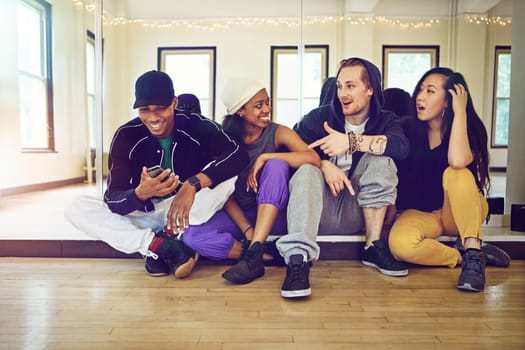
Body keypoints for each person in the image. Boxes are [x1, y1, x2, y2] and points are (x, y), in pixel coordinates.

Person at [65, 70, 249, 278]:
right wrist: (139, 194)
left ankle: (163, 246)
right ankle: (159, 246)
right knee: (76, 207)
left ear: (174, 102)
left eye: (161, 108)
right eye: (145, 110)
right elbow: (113, 199)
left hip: (188, 208)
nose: (153, 117)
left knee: (227, 178)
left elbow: (238, 154)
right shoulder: (126, 135)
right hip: (145, 212)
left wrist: (192, 184)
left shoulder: (196, 124)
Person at [275, 57, 410, 299]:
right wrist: (322, 164)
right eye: (339, 86)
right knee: (306, 170)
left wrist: (350, 142)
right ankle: (298, 259)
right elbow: (288, 155)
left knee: (382, 159)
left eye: (350, 86)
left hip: (358, 210)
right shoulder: (318, 118)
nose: (341, 93)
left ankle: (373, 247)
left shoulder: (385, 119)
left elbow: (400, 148)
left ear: (370, 89)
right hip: (318, 211)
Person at [181, 78, 320, 284]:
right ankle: (262, 255)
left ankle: (254, 251)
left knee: (276, 165)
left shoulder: (278, 132)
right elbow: (221, 192)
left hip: (275, 214)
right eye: (258, 105)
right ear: (240, 111)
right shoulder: (223, 139)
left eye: (267, 102)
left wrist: (266, 157)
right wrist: (247, 229)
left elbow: (313, 159)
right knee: (192, 236)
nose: (267, 109)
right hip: (242, 216)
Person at [388, 67, 511, 292]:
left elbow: (457, 160)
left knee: (456, 172)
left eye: (430, 91)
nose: (420, 97)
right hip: (421, 213)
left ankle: (472, 250)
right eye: (420, 90)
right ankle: (467, 257)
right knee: (400, 246)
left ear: (448, 101)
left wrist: (460, 112)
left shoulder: (470, 129)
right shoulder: (406, 128)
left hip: (460, 212)